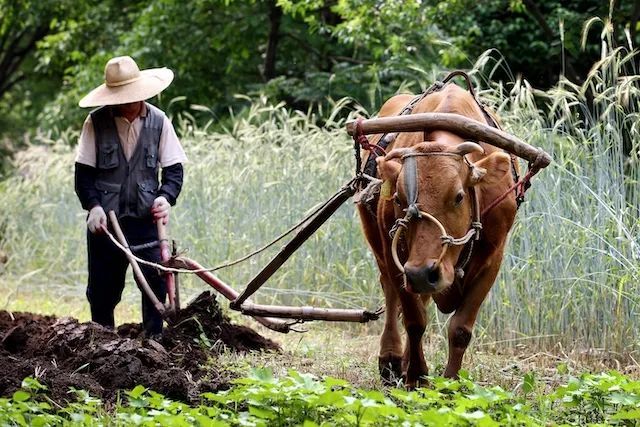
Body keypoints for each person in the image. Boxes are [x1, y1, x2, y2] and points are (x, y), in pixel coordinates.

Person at [74, 56, 187, 336]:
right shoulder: (96, 122)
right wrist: (93, 206)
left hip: (145, 221)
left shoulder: (159, 122)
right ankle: (103, 342)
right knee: (103, 289)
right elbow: (83, 175)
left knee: (154, 284)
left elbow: (173, 171)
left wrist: (165, 198)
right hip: (107, 225)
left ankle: (154, 342)